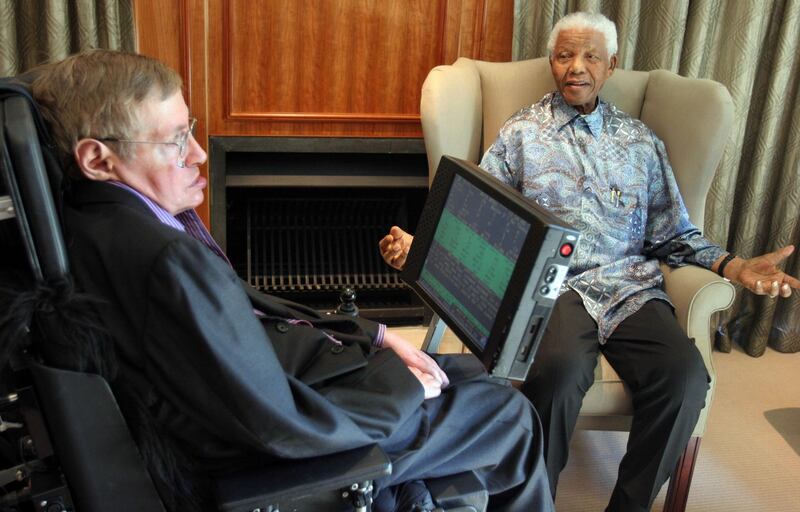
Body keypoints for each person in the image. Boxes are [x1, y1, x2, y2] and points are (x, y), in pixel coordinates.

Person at [28, 50, 554, 512]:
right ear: (98, 159)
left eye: (190, 130)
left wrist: (371, 335)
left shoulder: (94, 220)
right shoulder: (162, 259)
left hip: (267, 393)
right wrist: (399, 390)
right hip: (272, 453)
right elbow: (275, 424)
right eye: (173, 142)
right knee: (509, 413)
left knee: (460, 369)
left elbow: (244, 326)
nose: (199, 155)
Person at [380, 11, 800, 512]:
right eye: (564, 55)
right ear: (552, 63)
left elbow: (675, 235)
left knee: (685, 380)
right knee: (556, 375)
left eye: (590, 57)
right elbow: (477, 215)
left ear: (611, 66)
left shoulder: (641, 143)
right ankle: (531, 500)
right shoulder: (520, 133)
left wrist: (733, 266)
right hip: (552, 288)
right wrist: (422, 247)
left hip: (630, 289)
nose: (575, 67)